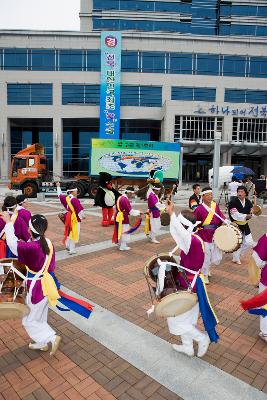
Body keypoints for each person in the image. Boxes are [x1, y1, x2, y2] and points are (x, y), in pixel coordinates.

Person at [0, 212, 61, 355]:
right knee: (39, 316)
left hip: (36, 288)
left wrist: (9, 223)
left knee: (28, 320)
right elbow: (27, 243)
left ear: (30, 230)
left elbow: (13, 244)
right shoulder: (48, 242)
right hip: (47, 285)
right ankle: (42, 343)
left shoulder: (31, 247)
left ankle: (51, 338)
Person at [165, 204, 212, 357]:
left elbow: (179, 231)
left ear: (184, 226)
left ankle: (202, 338)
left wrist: (171, 213)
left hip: (189, 283)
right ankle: (187, 347)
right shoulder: (194, 239)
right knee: (187, 318)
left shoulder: (192, 240)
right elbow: (189, 259)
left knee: (176, 317)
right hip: (190, 281)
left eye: (180, 225)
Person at [194, 187, 226, 284]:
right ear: (202, 196)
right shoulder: (199, 209)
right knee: (206, 255)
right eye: (208, 195)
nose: (210, 196)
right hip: (204, 235)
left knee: (214, 255)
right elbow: (195, 222)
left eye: (211, 194)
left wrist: (227, 222)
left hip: (214, 234)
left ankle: (206, 269)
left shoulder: (215, 205)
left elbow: (220, 216)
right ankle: (204, 274)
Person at [228, 186, 255, 265]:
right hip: (236, 225)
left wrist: (254, 212)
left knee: (249, 243)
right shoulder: (233, 202)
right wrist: (246, 216)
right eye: (238, 192)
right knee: (238, 243)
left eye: (242, 192)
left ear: (245, 193)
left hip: (245, 224)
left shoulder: (248, 201)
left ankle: (237, 255)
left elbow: (252, 211)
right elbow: (234, 214)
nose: (239, 193)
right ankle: (236, 257)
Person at [56, 183, 85, 255]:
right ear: (72, 191)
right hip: (74, 218)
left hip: (68, 217)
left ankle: (67, 245)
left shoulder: (66, 198)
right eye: (76, 191)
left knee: (69, 231)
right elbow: (79, 211)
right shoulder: (75, 200)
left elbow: (59, 195)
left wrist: (58, 186)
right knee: (74, 232)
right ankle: (71, 249)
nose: (77, 192)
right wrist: (83, 216)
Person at [112, 186, 140, 251]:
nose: (132, 195)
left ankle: (119, 244)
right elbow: (130, 211)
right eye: (132, 194)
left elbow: (115, 207)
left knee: (119, 229)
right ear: (129, 193)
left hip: (118, 215)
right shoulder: (125, 199)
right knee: (124, 231)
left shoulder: (120, 197)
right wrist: (138, 212)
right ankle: (123, 246)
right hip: (123, 217)